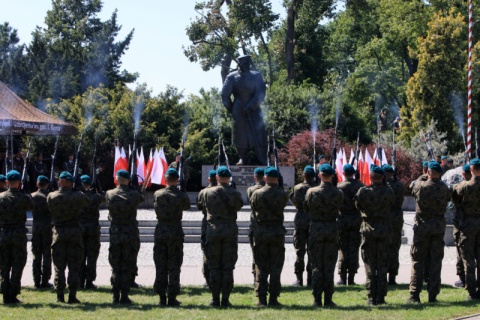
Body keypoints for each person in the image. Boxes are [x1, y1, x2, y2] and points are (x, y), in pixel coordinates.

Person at [197, 166, 243, 307]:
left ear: (216, 177)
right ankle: (226, 299)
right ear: (229, 178)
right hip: (229, 229)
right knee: (228, 267)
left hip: (213, 229)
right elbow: (239, 206)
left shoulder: (206, 192)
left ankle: (215, 298)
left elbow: (201, 207)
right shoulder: (235, 193)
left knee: (214, 266)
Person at [407, 161, 450, 303]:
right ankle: (433, 295)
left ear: (429, 172)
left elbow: (412, 186)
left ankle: (415, 294)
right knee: (435, 261)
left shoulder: (421, 186)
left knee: (418, 261)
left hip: (422, 226)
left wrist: (422, 176)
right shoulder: (444, 188)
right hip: (438, 227)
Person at [354, 165, 395, 305]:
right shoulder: (388, 191)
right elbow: (391, 205)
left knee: (370, 265)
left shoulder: (363, 191)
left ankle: (372, 296)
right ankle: (381, 296)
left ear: (370, 177)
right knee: (382, 264)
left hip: (368, 229)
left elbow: (358, 205)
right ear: (382, 177)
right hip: (384, 229)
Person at [47, 171, 89, 303]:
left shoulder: (51, 196)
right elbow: (87, 203)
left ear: (62, 182)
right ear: (71, 182)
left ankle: (60, 295)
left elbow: (50, 209)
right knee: (74, 267)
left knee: (59, 267)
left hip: (59, 234)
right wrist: (78, 190)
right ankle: (72, 295)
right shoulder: (78, 196)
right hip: (74, 234)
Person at [305, 164, 343, 307]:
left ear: (319, 175)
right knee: (329, 265)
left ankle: (316, 299)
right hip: (332, 229)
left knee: (316, 265)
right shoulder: (338, 193)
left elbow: (306, 207)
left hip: (316, 229)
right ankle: (328, 298)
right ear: (332, 175)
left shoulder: (311, 192)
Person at [251, 167, 288, 307]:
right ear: (277, 179)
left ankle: (261, 298)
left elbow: (254, 209)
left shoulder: (257, 193)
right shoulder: (282, 194)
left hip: (261, 231)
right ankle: (273, 298)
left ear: (264, 178)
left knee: (261, 265)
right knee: (276, 267)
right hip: (277, 231)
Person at [153, 168, 191, 306]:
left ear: (165, 179)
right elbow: (187, 206)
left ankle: (161, 297)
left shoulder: (158, 194)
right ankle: (172, 297)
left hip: (161, 230)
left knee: (160, 264)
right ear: (177, 180)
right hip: (175, 231)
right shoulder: (181, 195)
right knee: (174, 265)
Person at [106, 169, 144, 304]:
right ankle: (124, 295)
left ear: (116, 180)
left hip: (116, 232)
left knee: (116, 265)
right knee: (127, 265)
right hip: (130, 233)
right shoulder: (133, 194)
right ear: (128, 180)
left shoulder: (109, 194)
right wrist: (135, 187)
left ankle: (115, 295)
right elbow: (141, 199)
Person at [221, 55, 268, 165]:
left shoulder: (256, 76)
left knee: (259, 132)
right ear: (239, 64)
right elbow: (225, 95)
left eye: (248, 64)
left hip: (254, 109)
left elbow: (261, 92)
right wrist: (232, 109)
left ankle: (262, 157)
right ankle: (242, 157)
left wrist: (251, 107)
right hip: (238, 109)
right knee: (240, 135)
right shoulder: (231, 77)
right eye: (244, 64)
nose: (247, 66)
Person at [0, 170, 33, 303]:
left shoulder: (1, 197)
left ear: (7, 182)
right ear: (19, 182)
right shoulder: (24, 197)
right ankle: (13, 294)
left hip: (4, 233)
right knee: (17, 265)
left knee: (4, 265)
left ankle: (4, 294)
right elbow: (31, 206)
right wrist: (24, 191)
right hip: (18, 233)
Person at [452, 158, 480, 300]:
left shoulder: (464, 186)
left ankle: (472, 290)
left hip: (468, 224)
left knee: (468, 259)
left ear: (471, 169)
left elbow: (455, 200)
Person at [336, 164, 364, 285]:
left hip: (342, 220)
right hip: (356, 220)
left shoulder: (339, 187)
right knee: (354, 249)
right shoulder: (361, 187)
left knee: (343, 249)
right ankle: (351, 277)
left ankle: (342, 278)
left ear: (343, 173)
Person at [290, 165, 317, 287]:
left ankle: (299, 279)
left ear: (304, 175)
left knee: (299, 252)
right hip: (313, 221)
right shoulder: (316, 189)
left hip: (301, 221)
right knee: (312, 252)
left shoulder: (298, 188)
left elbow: (294, 202)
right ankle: (310, 279)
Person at [78, 175, 105, 290]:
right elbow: (104, 198)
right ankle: (89, 281)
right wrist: (98, 189)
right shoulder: (95, 196)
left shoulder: (78, 196)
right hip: (93, 229)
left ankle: (80, 280)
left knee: (80, 256)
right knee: (92, 256)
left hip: (80, 229)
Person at [383, 164, 404, 285]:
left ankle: (383, 275)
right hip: (396, 218)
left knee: (383, 248)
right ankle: (392, 277)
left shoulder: (384, 187)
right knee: (394, 248)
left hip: (386, 217)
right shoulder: (400, 185)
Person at [196, 169, 218, 287]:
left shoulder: (204, 192)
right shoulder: (224, 191)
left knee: (207, 252)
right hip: (222, 225)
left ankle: (208, 279)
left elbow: (199, 207)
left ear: (209, 179)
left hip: (208, 224)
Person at [31, 175, 53, 289]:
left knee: (36, 254)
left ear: (37, 184)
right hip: (47, 227)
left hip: (36, 226)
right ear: (47, 184)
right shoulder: (50, 196)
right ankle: (45, 280)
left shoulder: (32, 196)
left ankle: (36, 280)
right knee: (47, 254)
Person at [451, 164, 471, 288]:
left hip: (462, 223)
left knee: (462, 253)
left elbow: (454, 200)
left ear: (463, 174)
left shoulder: (461, 187)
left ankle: (464, 279)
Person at [246, 167, 265, 285]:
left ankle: (256, 279)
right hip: (271, 226)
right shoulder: (276, 190)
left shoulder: (251, 190)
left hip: (256, 225)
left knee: (256, 254)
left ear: (255, 177)